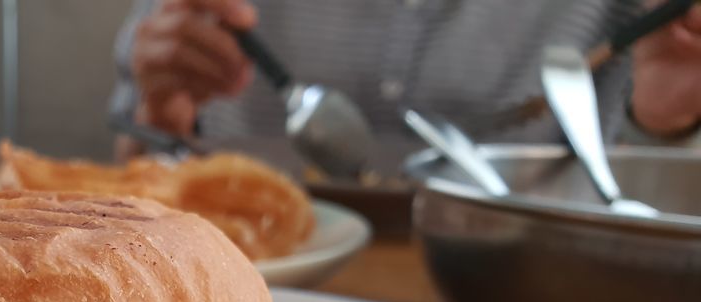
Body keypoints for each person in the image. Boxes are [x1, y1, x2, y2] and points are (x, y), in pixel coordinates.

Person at [111, 0, 701, 172]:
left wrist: (666, 124)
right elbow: (133, 153)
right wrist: (160, 117)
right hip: (255, 283)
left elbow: (639, 200)